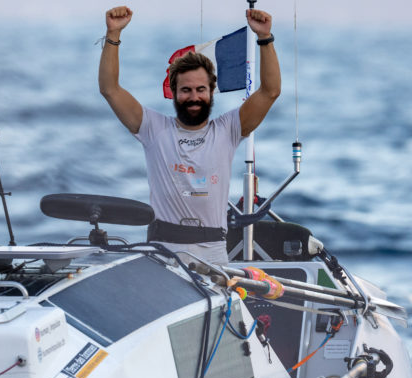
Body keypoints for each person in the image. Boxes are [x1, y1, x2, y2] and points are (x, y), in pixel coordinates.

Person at [99, 5, 281, 265]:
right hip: (163, 254)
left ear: (211, 91)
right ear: (173, 92)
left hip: (214, 254)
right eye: (186, 90)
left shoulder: (228, 129)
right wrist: (113, 34)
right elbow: (110, 89)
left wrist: (265, 38)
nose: (193, 97)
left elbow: (270, 92)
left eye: (200, 89)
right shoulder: (152, 128)